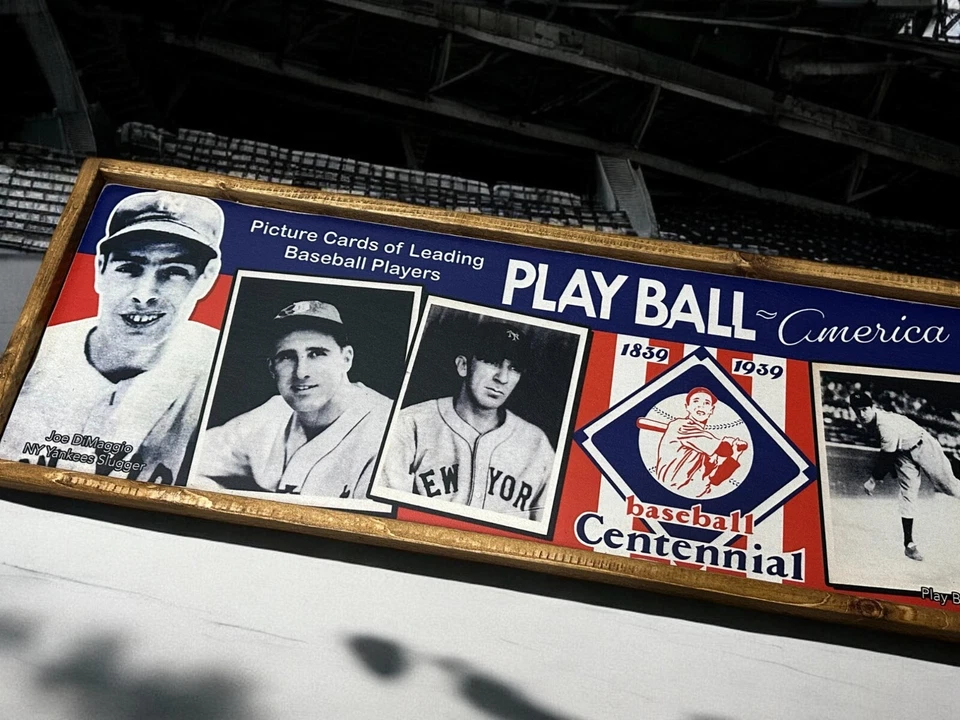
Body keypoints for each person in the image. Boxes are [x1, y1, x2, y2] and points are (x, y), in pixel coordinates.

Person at [0, 190, 223, 485]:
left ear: (205, 278)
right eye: (129, 268)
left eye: (174, 272)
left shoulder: (221, 366)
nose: (144, 295)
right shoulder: (33, 352)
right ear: (101, 266)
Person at [194, 300, 392, 498]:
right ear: (272, 368)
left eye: (317, 354)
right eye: (287, 357)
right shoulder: (274, 411)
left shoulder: (388, 430)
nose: (301, 372)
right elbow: (190, 458)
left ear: (346, 358)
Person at [378, 321, 555, 521]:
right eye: (492, 361)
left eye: (514, 368)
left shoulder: (537, 443)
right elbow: (388, 516)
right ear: (463, 366)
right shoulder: (411, 424)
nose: (502, 378)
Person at [849, 391, 960, 562]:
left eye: (864, 409)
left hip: (922, 445)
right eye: (858, 411)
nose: (861, 414)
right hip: (902, 452)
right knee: (907, 495)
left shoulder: (884, 424)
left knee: (949, 487)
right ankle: (909, 544)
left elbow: (886, 456)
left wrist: (873, 480)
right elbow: (889, 451)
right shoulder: (869, 421)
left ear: (872, 407)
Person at [655, 387, 748, 498]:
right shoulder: (680, 425)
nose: (701, 406)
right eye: (696, 401)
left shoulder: (706, 445)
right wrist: (729, 442)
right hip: (669, 492)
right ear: (687, 407)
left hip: (698, 500)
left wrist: (735, 455)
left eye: (707, 403)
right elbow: (724, 450)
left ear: (711, 410)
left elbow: (716, 480)